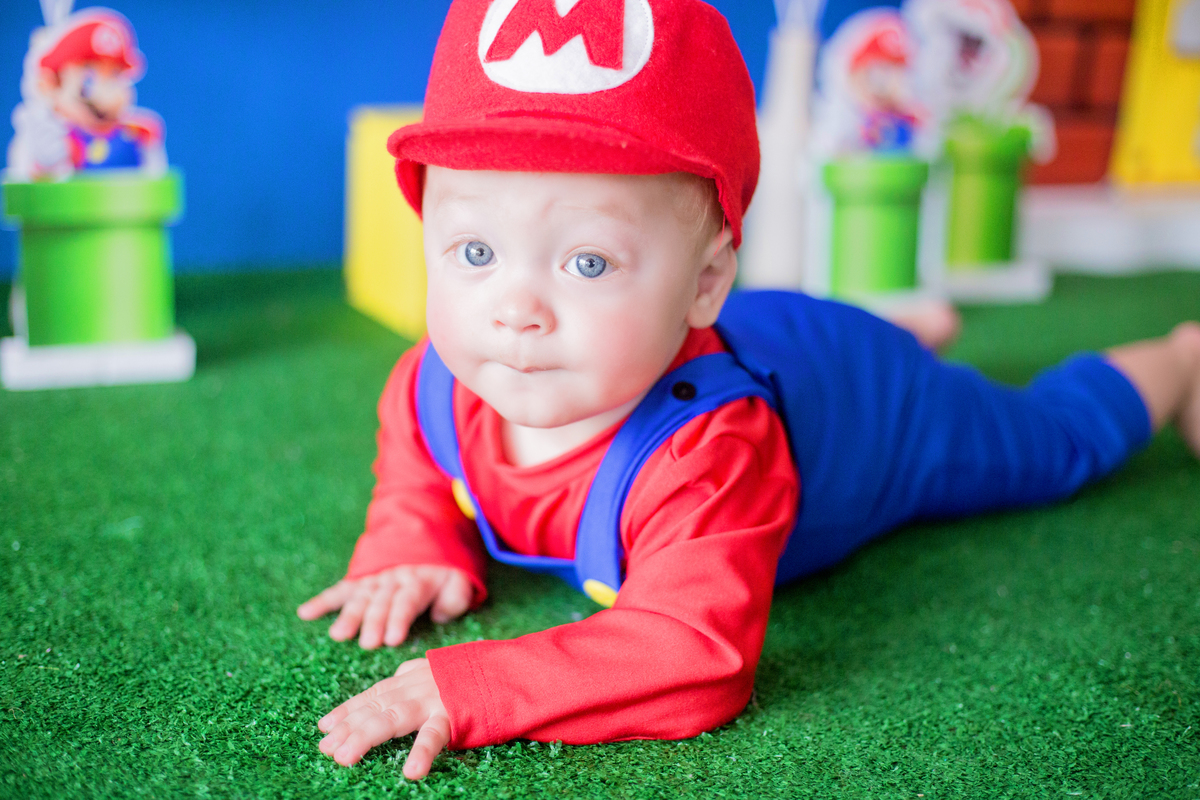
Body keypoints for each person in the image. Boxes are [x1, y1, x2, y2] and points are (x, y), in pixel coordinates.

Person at [297, 0, 1200, 780]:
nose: (516, 310)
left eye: (587, 260)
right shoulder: (434, 382)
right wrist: (409, 539)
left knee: (1047, 446)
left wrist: (475, 684)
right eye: (475, 252)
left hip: (874, 406)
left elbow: (693, 654)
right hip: (775, 330)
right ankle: (913, 323)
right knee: (810, 327)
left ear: (703, 283)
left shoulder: (710, 450)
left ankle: (1175, 357)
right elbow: (416, 458)